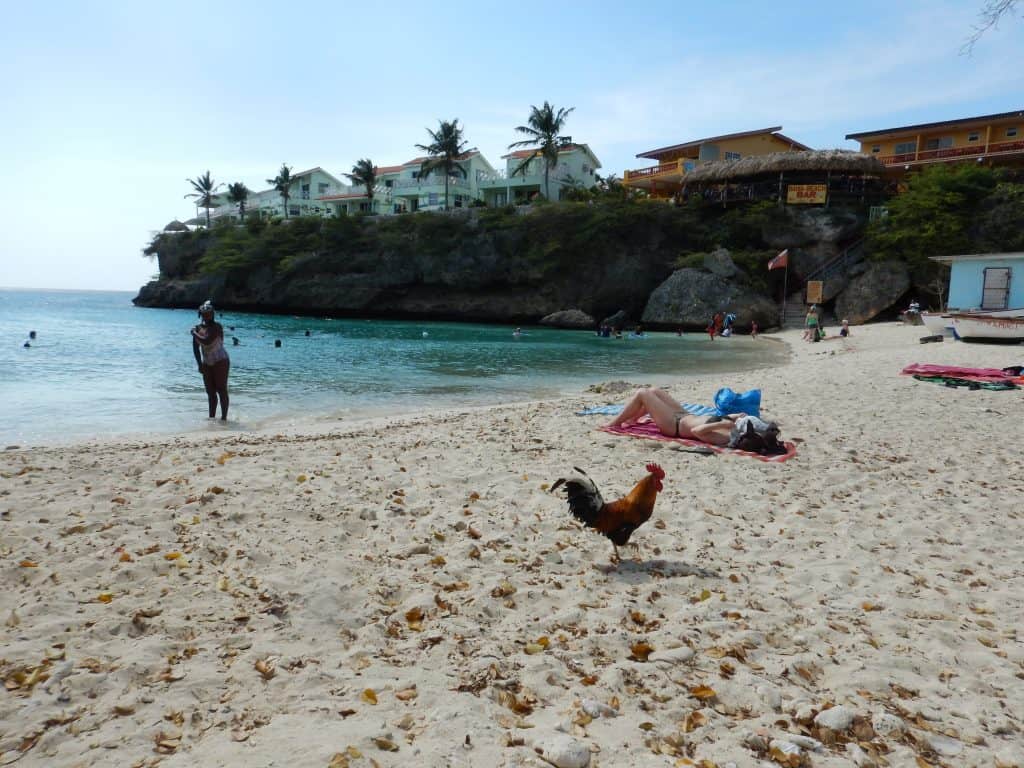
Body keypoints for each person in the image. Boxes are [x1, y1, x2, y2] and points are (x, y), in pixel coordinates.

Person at [607, 387, 745, 447]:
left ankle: (614, 424)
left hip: (674, 425)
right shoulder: (735, 430)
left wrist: (722, 424)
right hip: (685, 415)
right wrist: (735, 417)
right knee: (654, 390)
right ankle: (633, 419)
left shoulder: (726, 438)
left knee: (642, 393)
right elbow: (723, 418)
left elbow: (696, 431)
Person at [191, 301, 230, 420]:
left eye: (209, 313)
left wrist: (193, 333)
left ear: (213, 314)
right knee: (210, 392)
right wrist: (199, 364)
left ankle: (224, 418)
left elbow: (206, 341)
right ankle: (212, 418)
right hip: (206, 362)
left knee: (221, 389)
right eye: (204, 314)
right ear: (200, 315)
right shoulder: (199, 328)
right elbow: (195, 348)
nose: (207, 316)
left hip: (220, 360)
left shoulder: (217, 327)